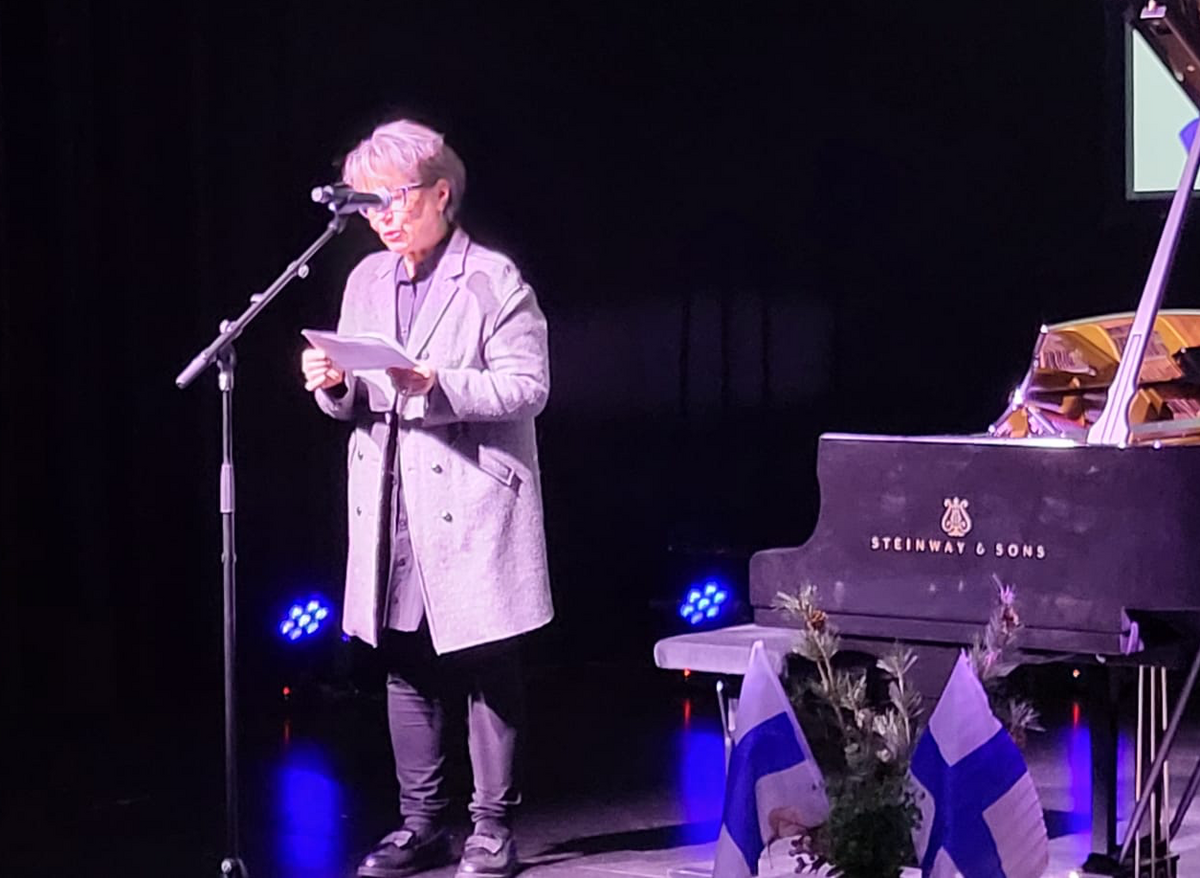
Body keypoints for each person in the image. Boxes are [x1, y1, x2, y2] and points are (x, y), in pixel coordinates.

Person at [301, 118, 553, 878]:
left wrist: (438, 385)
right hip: (391, 500)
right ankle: (421, 825)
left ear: (441, 194)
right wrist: (335, 387)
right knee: (404, 658)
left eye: (395, 198)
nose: (381, 216)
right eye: (367, 202)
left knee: (483, 660)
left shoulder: (492, 279)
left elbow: (529, 387)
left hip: (472, 498)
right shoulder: (365, 281)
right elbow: (356, 394)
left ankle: (491, 827)